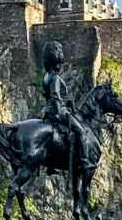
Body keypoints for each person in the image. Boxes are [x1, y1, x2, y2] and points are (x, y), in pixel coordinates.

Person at [39, 41, 91, 174]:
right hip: (58, 111)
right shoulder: (55, 77)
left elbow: (49, 95)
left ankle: (51, 164)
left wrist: (67, 103)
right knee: (82, 132)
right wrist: (60, 111)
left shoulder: (46, 77)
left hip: (47, 111)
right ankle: (85, 162)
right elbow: (55, 96)